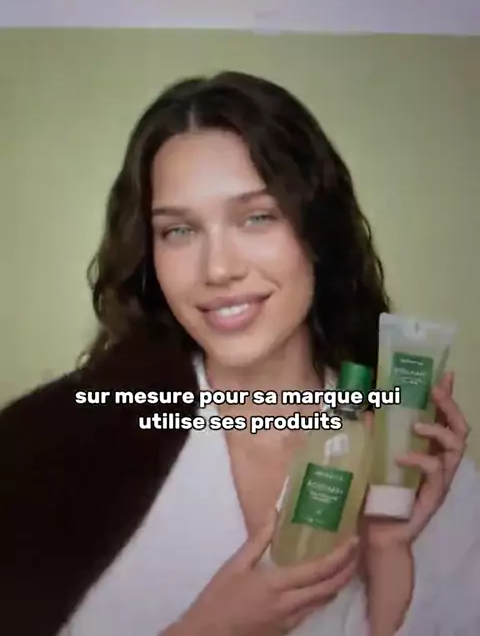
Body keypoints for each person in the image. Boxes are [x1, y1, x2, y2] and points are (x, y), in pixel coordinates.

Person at [0, 71, 478, 636]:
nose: (218, 269)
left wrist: (387, 558)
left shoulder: (412, 466)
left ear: (317, 232)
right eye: (179, 231)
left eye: (257, 217)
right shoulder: (60, 451)